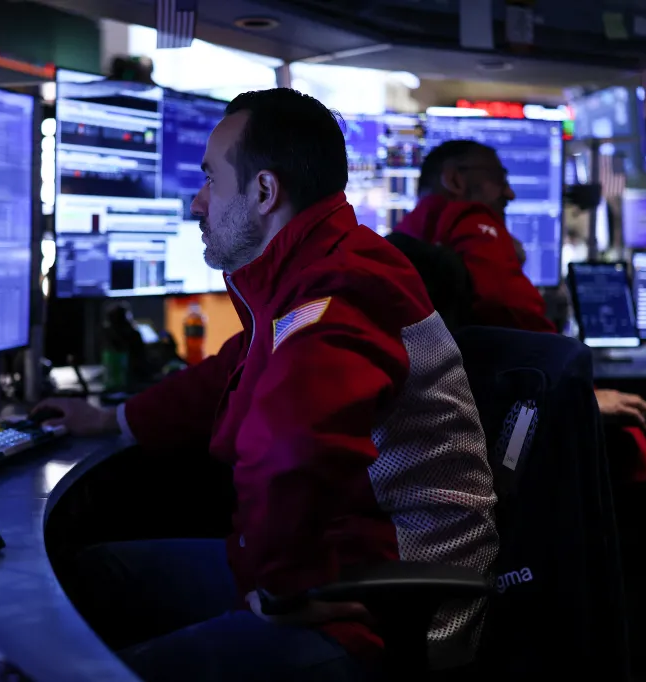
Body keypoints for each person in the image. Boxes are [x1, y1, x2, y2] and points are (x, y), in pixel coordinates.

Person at [36, 89, 499, 682]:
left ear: (263, 192)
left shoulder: (344, 287)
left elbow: (289, 448)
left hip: (386, 600)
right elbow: (234, 370)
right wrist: (110, 420)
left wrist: (279, 585)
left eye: (210, 180)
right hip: (341, 551)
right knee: (94, 576)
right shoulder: (311, 273)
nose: (198, 204)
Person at [395, 139, 646, 678]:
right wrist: (578, 394)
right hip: (535, 438)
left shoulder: (410, 241)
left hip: (477, 452)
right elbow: (531, 345)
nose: (510, 191)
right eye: (498, 179)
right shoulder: (468, 222)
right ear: (457, 182)